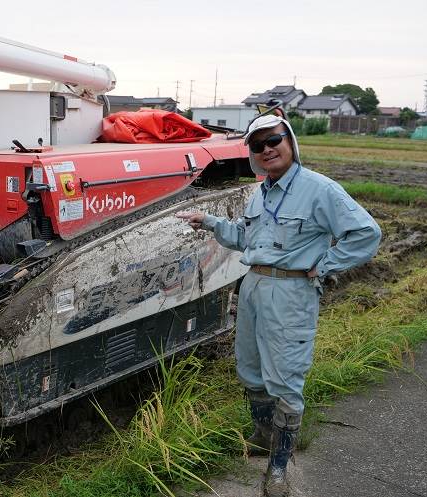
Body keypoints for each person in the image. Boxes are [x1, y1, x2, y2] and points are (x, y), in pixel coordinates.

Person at [176, 114, 381, 497]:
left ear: (290, 141)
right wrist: (207, 220)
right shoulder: (260, 193)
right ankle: (261, 435)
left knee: (285, 380)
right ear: (252, 154)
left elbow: (366, 234)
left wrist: (326, 266)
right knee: (251, 369)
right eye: (257, 145)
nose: (267, 149)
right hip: (253, 285)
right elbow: (244, 238)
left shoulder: (320, 190)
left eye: (273, 140)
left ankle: (279, 468)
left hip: (291, 292)